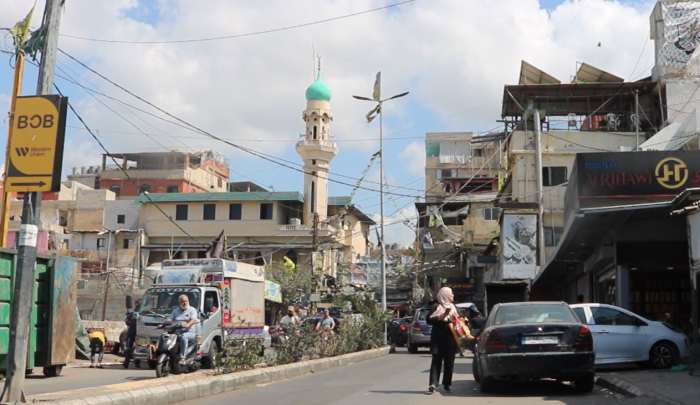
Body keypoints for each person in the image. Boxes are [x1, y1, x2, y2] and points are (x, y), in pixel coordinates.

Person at [426, 287, 459, 394]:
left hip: (451, 340)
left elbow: (459, 320)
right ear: (445, 295)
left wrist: (459, 320)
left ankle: (447, 385)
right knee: (436, 362)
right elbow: (429, 320)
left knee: (449, 363)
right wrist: (440, 317)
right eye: (451, 294)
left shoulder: (454, 307)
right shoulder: (435, 307)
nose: (453, 295)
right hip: (438, 340)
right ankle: (433, 384)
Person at [165, 295, 198, 365]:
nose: (185, 303)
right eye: (183, 301)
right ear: (179, 302)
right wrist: (165, 323)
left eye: (186, 301)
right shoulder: (175, 311)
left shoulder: (192, 310)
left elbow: (193, 320)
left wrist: (188, 324)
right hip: (177, 332)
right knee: (166, 336)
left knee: (184, 337)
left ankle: (183, 358)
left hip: (189, 332)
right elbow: (170, 319)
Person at [123, 299, 142, 368]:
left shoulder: (144, 312)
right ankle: (126, 361)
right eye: (138, 303)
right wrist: (133, 321)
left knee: (139, 346)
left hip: (141, 331)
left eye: (140, 303)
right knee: (129, 347)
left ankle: (137, 362)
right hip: (132, 330)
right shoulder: (131, 312)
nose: (138, 304)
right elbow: (126, 321)